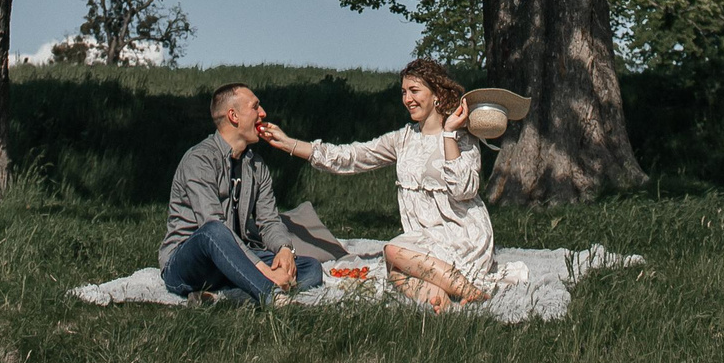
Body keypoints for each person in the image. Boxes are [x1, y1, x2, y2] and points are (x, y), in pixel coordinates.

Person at [260, 57, 498, 312]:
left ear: (437, 94)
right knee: (395, 273)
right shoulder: (403, 139)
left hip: (462, 235)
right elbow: (350, 157)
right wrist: (290, 144)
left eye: (415, 91)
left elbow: (465, 190)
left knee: (392, 251)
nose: (407, 99)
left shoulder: (463, 137)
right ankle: (441, 303)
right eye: (404, 92)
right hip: (423, 240)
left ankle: (470, 291)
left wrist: (450, 133)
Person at [160, 82, 323, 305]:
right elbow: (211, 225)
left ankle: (223, 298)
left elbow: (269, 221)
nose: (263, 113)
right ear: (233, 116)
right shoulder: (199, 160)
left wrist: (285, 250)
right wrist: (264, 270)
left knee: (310, 267)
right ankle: (271, 296)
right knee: (214, 231)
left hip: (237, 261)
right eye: (256, 107)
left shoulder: (256, 165)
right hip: (191, 264)